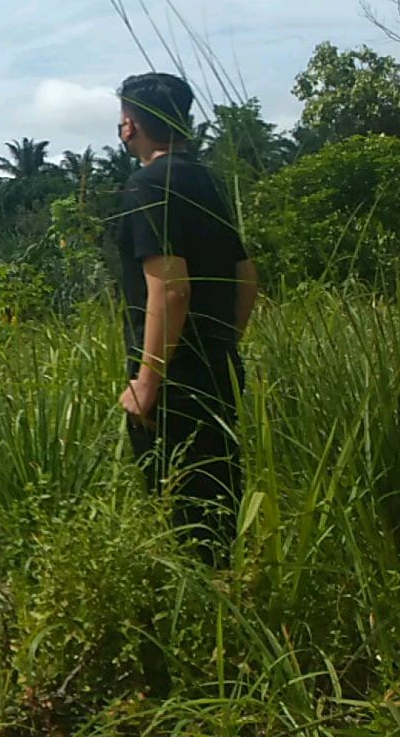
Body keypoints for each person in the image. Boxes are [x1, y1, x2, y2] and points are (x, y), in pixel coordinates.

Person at [113, 73, 258, 566]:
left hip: (174, 382)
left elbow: (170, 289)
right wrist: (220, 345)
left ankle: (201, 620)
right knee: (220, 510)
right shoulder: (206, 179)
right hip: (219, 368)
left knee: (180, 519)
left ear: (130, 126)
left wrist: (148, 381)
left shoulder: (146, 185)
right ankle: (230, 603)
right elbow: (246, 276)